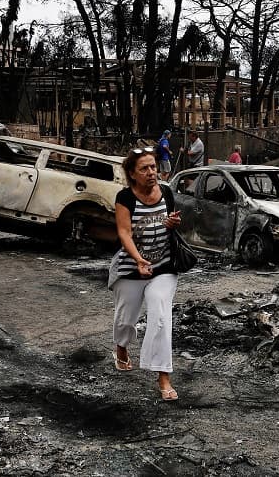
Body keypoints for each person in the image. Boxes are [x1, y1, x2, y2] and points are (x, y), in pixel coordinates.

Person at [108, 147, 182, 401]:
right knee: (125, 320)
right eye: (145, 169)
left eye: (153, 167)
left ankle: (163, 376)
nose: (152, 173)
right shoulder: (125, 198)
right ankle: (121, 348)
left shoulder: (168, 193)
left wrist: (172, 224)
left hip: (163, 266)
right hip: (131, 267)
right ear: (132, 174)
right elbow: (124, 233)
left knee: (160, 314)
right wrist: (139, 259)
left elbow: (170, 224)